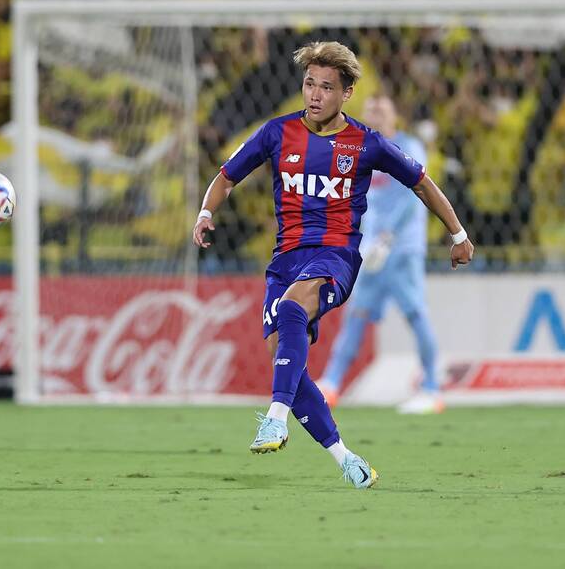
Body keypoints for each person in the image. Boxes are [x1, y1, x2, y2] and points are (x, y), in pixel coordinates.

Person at [192, 41, 474, 489]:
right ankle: (347, 460)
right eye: (309, 84)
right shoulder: (277, 133)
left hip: (335, 256)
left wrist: (457, 235)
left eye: (326, 87)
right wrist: (206, 212)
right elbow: (226, 177)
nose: (315, 94)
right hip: (285, 260)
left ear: (346, 93)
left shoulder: (366, 143)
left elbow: (422, 183)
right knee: (286, 361)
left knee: (292, 311)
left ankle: (275, 417)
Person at [316, 95, 444, 415]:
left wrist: (388, 237)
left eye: (382, 111)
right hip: (371, 252)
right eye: (371, 111)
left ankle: (432, 388)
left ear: (394, 116)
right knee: (356, 315)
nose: (376, 116)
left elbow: (416, 195)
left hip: (401, 249)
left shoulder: (408, 147)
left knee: (415, 313)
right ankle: (331, 384)